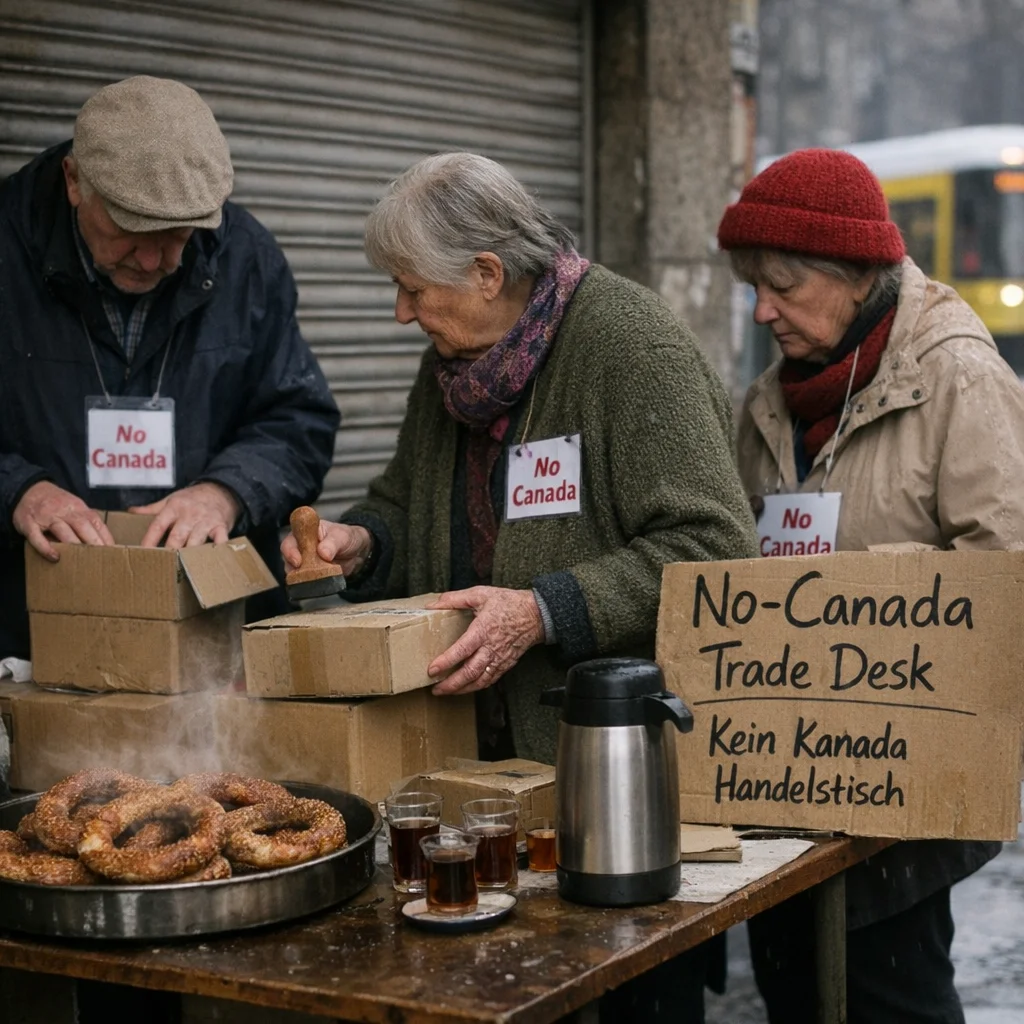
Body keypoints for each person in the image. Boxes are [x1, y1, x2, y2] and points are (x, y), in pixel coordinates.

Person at [283, 151, 757, 1020]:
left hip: (607, 786)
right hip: (472, 791)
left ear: (488, 272)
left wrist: (544, 610)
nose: (400, 312)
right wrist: (362, 542)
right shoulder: (455, 374)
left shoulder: (630, 347)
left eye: (413, 289)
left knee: (629, 995)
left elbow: (717, 546)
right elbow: (403, 500)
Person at [718, 147, 1024, 1024]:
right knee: (795, 991)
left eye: (782, 283)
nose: (762, 308)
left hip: (902, 795)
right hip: (782, 787)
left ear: (856, 275)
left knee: (890, 992)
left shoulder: (958, 378)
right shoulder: (768, 403)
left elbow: (1007, 582)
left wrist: (874, 604)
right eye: (753, 284)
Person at [0, 75, 340, 660]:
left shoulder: (247, 258)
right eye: (131, 233)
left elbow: (297, 418)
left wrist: (225, 492)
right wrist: (17, 489)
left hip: (212, 628)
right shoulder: (6, 247)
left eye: (178, 236)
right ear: (75, 182)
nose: (155, 260)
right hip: (29, 629)